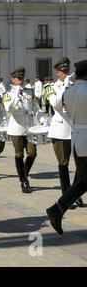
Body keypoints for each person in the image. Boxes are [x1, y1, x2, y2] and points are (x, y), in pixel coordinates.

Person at [46, 59, 87, 235]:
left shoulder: (69, 92)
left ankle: (58, 208)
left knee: (83, 181)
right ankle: (57, 208)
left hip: (77, 138)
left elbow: (64, 113)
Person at [3, 67, 46, 193]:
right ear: (13, 79)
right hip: (16, 128)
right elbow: (8, 109)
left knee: (32, 153)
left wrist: (42, 119)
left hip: (30, 128)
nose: (20, 80)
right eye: (17, 78)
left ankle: (24, 174)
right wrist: (16, 93)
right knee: (19, 154)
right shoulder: (8, 94)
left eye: (21, 78)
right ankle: (23, 181)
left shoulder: (29, 91)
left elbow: (35, 108)